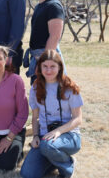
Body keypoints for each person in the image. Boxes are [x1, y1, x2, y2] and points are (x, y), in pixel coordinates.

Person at [20, 50, 83, 178]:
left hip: (69, 135)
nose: (49, 70)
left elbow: (78, 119)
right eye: (45, 66)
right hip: (44, 137)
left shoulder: (70, 87)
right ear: (40, 67)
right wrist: (36, 136)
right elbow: (35, 117)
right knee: (27, 174)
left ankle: (68, 165)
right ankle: (54, 159)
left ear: (60, 67)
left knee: (47, 146)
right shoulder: (36, 88)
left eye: (53, 66)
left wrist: (58, 131)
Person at [24, 0, 66, 84]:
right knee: (38, 98)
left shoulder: (54, 6)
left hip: (48, 59)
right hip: (37, 57)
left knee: (50, 98)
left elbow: (54, 37)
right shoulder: (38, 6)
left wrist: (44, 63)